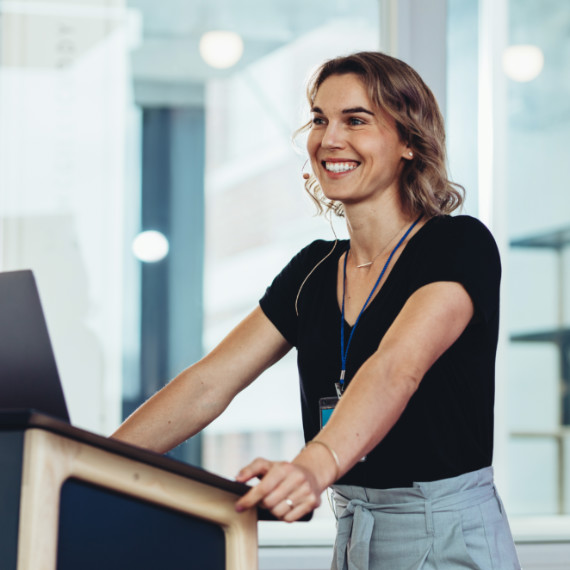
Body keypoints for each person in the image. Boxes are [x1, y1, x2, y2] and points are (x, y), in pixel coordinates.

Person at [112, 51, 521, 569]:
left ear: (410, 142)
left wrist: (312, 466)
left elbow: (397, 366)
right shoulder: (313, 269)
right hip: (352, 526)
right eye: (320, 119)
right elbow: (209, 382)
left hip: (446, 532)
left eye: (356, 120)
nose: (329, 139)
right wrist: (84, 465)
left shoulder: (458, 244)